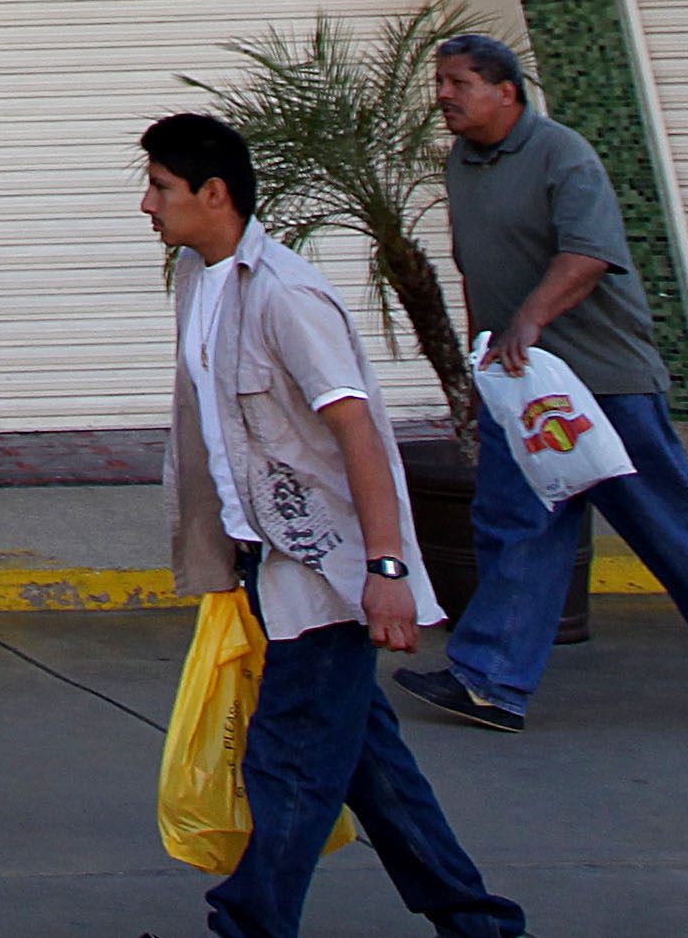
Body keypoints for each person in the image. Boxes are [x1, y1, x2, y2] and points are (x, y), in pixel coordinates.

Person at [143, 111, 521, 938]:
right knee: (367, 761)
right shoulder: (194, 278)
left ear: (214, 193)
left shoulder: (286, 295)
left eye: (160, 186)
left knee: (289, 759)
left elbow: (360, 434)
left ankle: (246, 923)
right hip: (262, 560)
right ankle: (476, 920)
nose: (146, 204)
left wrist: (384, 570)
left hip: (326, 568)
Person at [403, 32, 688, 745]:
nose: (442, 94)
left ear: (506, 91)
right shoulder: (464, 163)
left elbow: (588, 253)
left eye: (457, 82)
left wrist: (529, 317)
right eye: (438, 81)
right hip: (523, 388)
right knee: (517, 530)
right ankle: (488, 683)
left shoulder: (563, 154)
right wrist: (482, 371)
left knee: (670, 532)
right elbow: (479, 270)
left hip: (603, 387)